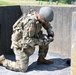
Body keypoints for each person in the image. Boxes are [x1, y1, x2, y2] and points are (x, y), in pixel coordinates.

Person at [0, 6, 54, 72]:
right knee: (22, 68)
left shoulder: (40, 17)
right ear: (42, 17)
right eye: (45, 21)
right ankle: (2, 60)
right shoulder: (30, 23)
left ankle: (41, 59)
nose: (46, 22)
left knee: (46, 39)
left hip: (31, 38)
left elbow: (47, 25)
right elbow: (27, 40)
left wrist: (50, 33)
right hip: (20, 44)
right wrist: (42, 42)